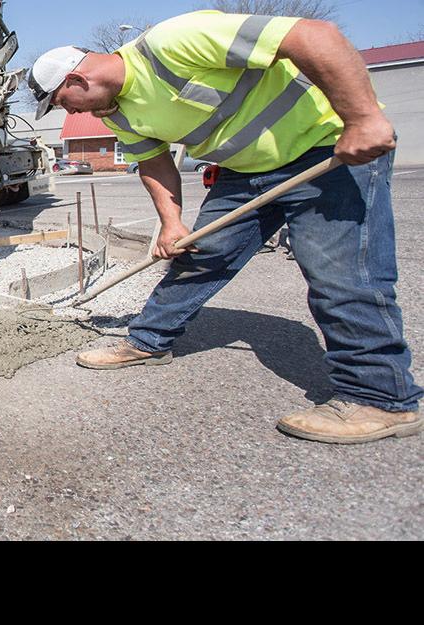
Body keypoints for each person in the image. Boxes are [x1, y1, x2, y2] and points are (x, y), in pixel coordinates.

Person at [28, 11, 421, 444]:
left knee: (341, 275)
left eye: (62, 102)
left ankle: (380, 398)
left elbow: (312, 35)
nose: (68, 111)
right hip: (242, 172)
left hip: (321, 151)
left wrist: (362, 118)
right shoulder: (116, 113)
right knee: (201, 255)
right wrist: (171, 223)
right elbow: (154, 161)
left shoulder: (172, 43)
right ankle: (148, 342)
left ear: (76, 80)